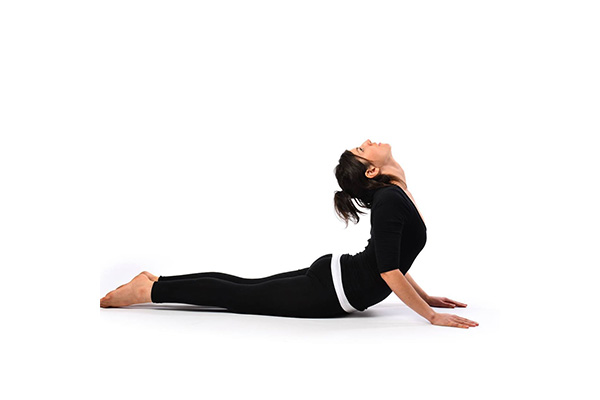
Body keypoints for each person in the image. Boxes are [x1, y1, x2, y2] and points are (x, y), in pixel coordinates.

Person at [100, 139, 479, 329]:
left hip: (332, 279)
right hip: (329, 289)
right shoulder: (390, 200)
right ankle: (149, 290)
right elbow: (388, 271)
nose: (368, 141)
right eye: (364, 148)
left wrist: (427, 297)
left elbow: (389, 259)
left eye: (362, 145)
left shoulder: (393, 196)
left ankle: (156, 282)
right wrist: (430, 315)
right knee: (239, 295)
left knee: (242, 288)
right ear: (371, 172)